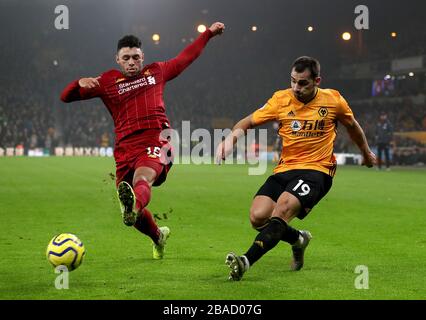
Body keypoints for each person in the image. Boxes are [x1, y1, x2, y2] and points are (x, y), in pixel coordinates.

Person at [61, 22, 225, 259]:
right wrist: (78, 83)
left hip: (158, 139)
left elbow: (185, 58)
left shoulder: (156, 71)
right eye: (126, 58)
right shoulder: (107, 81)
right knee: (135, 211)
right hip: (125, 149)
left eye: (136, 57)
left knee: (141, 179)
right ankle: (157, 236)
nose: (131, 62)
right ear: (117, 59)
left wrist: (208, 34)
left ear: (142, 57)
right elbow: (65, 97)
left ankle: (133, 206)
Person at [216, 56, 376, 281]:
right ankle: (299, 239)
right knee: (258, 217)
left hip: (317, 170)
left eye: (303, 83)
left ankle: (245, 261)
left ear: (317, 81)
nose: (296, 88)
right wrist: (229, 140)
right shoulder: (280, 100)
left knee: (281, 210)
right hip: (285, 169)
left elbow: (353, 127)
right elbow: (247, 122)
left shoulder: (333, 100)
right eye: (293, 81)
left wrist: (366, 153)